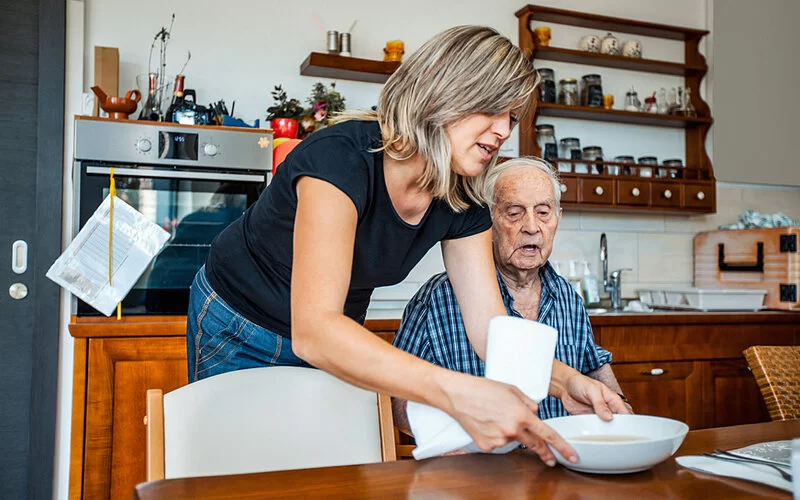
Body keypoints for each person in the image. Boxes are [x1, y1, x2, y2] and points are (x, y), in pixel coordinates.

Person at [186, 25, 627, 467]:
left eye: (511, 117)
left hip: (339, 340)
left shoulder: (462, 197)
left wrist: (565, 380)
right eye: (493, 110)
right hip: (238, 323)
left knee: (320, 476)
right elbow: (315, 331)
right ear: (445, 92)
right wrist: (458, 393)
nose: (503, 131)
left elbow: (491, 331)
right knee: (240, 473)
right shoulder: (340, 159)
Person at [392, 157, 632, 434]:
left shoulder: (567, 295)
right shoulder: (436, 299)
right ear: (487, 221)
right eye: (514, 213)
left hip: (561, 461)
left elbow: (592, 366)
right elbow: (399, 402)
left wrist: (621, 408)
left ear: (558, 218)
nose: (532, 227)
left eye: (543, 213)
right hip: (478, 465)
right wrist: (452, 434)